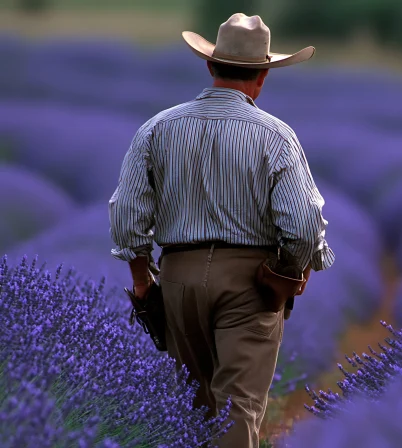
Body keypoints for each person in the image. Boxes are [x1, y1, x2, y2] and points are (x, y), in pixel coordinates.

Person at [108, 13, 334, 448]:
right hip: (250, 284)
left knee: (191, 409)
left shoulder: (158, 128)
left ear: (210, 66)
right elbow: (305, 226)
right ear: (263, 76)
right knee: (239, 408)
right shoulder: (276, 136)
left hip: (177, 278)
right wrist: (285, 276)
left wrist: (142, 280)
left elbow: (126, 216)